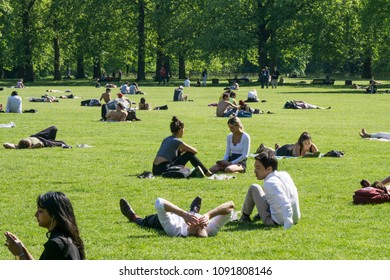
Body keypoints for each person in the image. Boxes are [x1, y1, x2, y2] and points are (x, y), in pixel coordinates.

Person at [4, 191, 85, 260]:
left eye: (40, 211)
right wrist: (22, 249)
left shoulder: (56, 244)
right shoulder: (67, 238)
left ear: (54, 215)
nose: (36, 214)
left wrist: (20, 254)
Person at [239, 151, 301, 230]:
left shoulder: (270, 183)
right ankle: (259, 214)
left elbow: (285, 203)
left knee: (254, 188)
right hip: (295, 218)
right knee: (264, 190)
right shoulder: (284, 174)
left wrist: (288, 223)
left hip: (277, 221)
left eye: (258, 168)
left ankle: (244, 217)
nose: (255, 171)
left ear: (269, 169)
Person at [119, 196, 234, 237]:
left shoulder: (174, 229)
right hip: (182, 213)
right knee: (192, 213)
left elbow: (159, 202)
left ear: (190, 227)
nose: (199, 221)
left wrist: (183, 215)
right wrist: (209, 215)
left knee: (146, 221)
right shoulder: (211, 229)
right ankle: (193, 210)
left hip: (168, 217)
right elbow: (230, 205)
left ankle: (132, 216)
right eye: (202, 224)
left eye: (197, 224)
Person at [3, 126, 71, 149]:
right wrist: (30, 148)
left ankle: (51, 140)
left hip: (37, 136)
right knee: (62, 143)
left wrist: (15, 147)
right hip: (44, 141)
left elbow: (5, 144)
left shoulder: (18, 145)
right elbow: (40, 144)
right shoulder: (33, 145)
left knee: (54, 128)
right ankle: (51, 141)